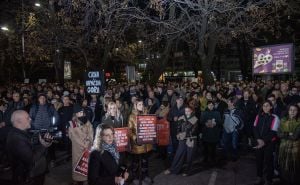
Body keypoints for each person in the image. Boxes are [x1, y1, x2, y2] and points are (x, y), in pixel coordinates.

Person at [6, 110, 53, 185]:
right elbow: (32, 159)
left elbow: (31, 148)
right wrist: (43, 145)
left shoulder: (21, 132)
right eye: (28, 118)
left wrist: (42, 142)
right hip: (27, 178)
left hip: (31, 174)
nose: (30, 119)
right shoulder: (16, 138)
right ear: (19, 121)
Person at [164, 106, 198, 176]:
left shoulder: (194, 118)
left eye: (188, 111)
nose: (187, 112)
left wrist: (184, 134)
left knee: (189, 156)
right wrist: (178, 134)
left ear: (191, 111)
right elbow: (178, 127)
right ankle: (173, 169)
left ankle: (187, 171)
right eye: (185, 111)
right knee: (179, 154)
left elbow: (193, 130)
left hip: (191, 139)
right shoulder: (182, 117)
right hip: (182, 138)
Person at [253, 100, 280, 185]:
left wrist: (263, 141)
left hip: (269, 143)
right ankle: (259, 177)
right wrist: (258, 139)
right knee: (259, 161)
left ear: (271, 107)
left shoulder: (275, 117)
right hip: (259, 141)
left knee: (269, 162)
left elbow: (273, 132)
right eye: (264, 106)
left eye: (267, 106)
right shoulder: (258, 116)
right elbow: (254, 128)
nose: (265, 107)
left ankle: (269, 180)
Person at [128, 99, 152, 184]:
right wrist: (135, 138)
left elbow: (150, 125)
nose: (141, 106)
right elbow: (129, 130)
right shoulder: (132, 116)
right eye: (139, 105)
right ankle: (135, 177)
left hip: (146, 143)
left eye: (142, 104)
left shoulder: (147, 114)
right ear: (135, 106)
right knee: (136, 163)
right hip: (137, 144)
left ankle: (145, 176)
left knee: (145, 161)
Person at [68, 104, 94, 185]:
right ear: (75, 114)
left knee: (85, 165)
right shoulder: (72, 124)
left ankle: (85, 180)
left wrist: (89, 142)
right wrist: (84, 144)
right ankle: (75, 180)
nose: (81, 113)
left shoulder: (87, 122)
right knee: (77, 165)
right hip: (77, 149)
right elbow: (73, 137)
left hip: (87, 149)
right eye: (79, 112)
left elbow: (91, 132)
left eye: (82, 112)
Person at [278, 104, 300, 185]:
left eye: (295, 110)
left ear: (298, 112)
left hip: (295, 148)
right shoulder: (283, 120)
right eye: (291, 110)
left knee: (294, 166)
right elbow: (278, 133)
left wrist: (284, 134)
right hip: (283, 147)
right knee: (283, 165)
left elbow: (295, 136)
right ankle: (284, 181)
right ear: (288, 111)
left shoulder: (299, 121)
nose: (292, 112)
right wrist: (289, 133)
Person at [221, 97, 244, 161]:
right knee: (225, 143)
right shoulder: (225, 110)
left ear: (232, 103)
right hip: (226, 129)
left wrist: (237, 129)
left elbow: (242, 122)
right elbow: (223, 119)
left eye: (228, 102)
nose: (227, 103)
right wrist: (223, 125)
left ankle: (234, 156)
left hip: (234, 130)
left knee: (234, 144)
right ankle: (226, 155)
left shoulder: (238, 111)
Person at [200, 101, 222, 165]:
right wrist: (205, 123)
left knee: (213, 147)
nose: (211, 106)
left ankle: (213, 158)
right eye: (209, 105)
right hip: (206, 132)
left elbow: (220, 122)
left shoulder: (217, 113)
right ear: (207, 105)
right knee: (206, 147)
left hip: (214, 132)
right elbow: (201, 121)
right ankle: (206, 158)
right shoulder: (204, 113)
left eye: (212, 105)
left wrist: (215, 123)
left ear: (214, 106)